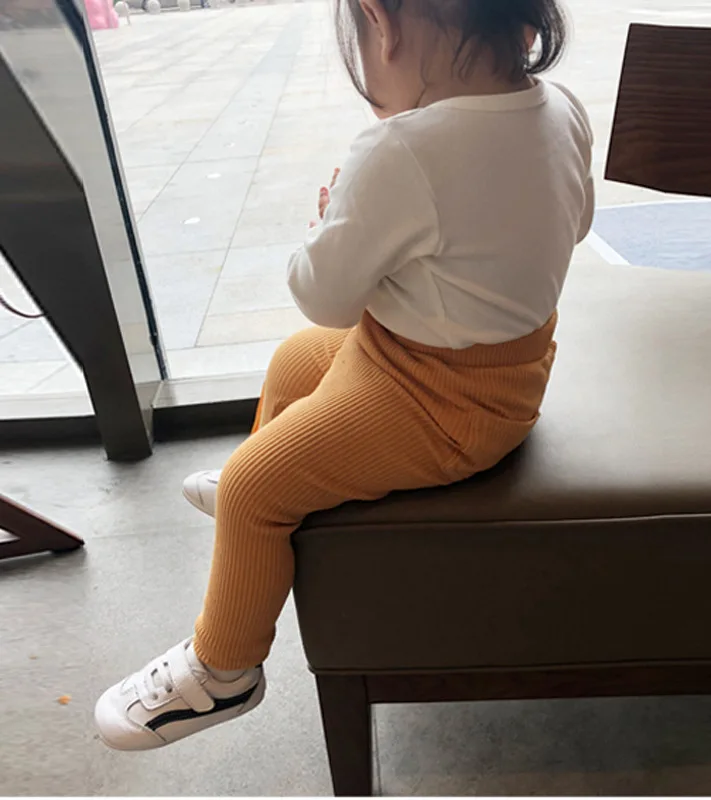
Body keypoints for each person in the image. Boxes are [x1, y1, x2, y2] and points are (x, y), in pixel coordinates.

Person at [94, 0, 594, 751]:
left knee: (255, 483)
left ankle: (224, 668)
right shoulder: (562, 109)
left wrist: (328, 225)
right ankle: (275, 493)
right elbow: (576, 223)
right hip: (502, 372)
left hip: (440, 403)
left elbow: (325, 298)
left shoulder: (401, 148)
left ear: (381, 23)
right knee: (296, 361)